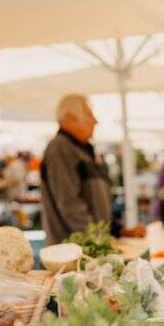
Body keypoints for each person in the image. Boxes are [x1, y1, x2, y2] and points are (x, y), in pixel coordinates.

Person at [39, 94, 112, 245]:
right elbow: (70, 205)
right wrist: (98, 240)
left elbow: (96, 201)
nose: (95, 121)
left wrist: (116, 229)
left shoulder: (83, 150)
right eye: (89, 115)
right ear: (70, 119)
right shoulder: (60, 149)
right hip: (71, 250)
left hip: (90, 246)